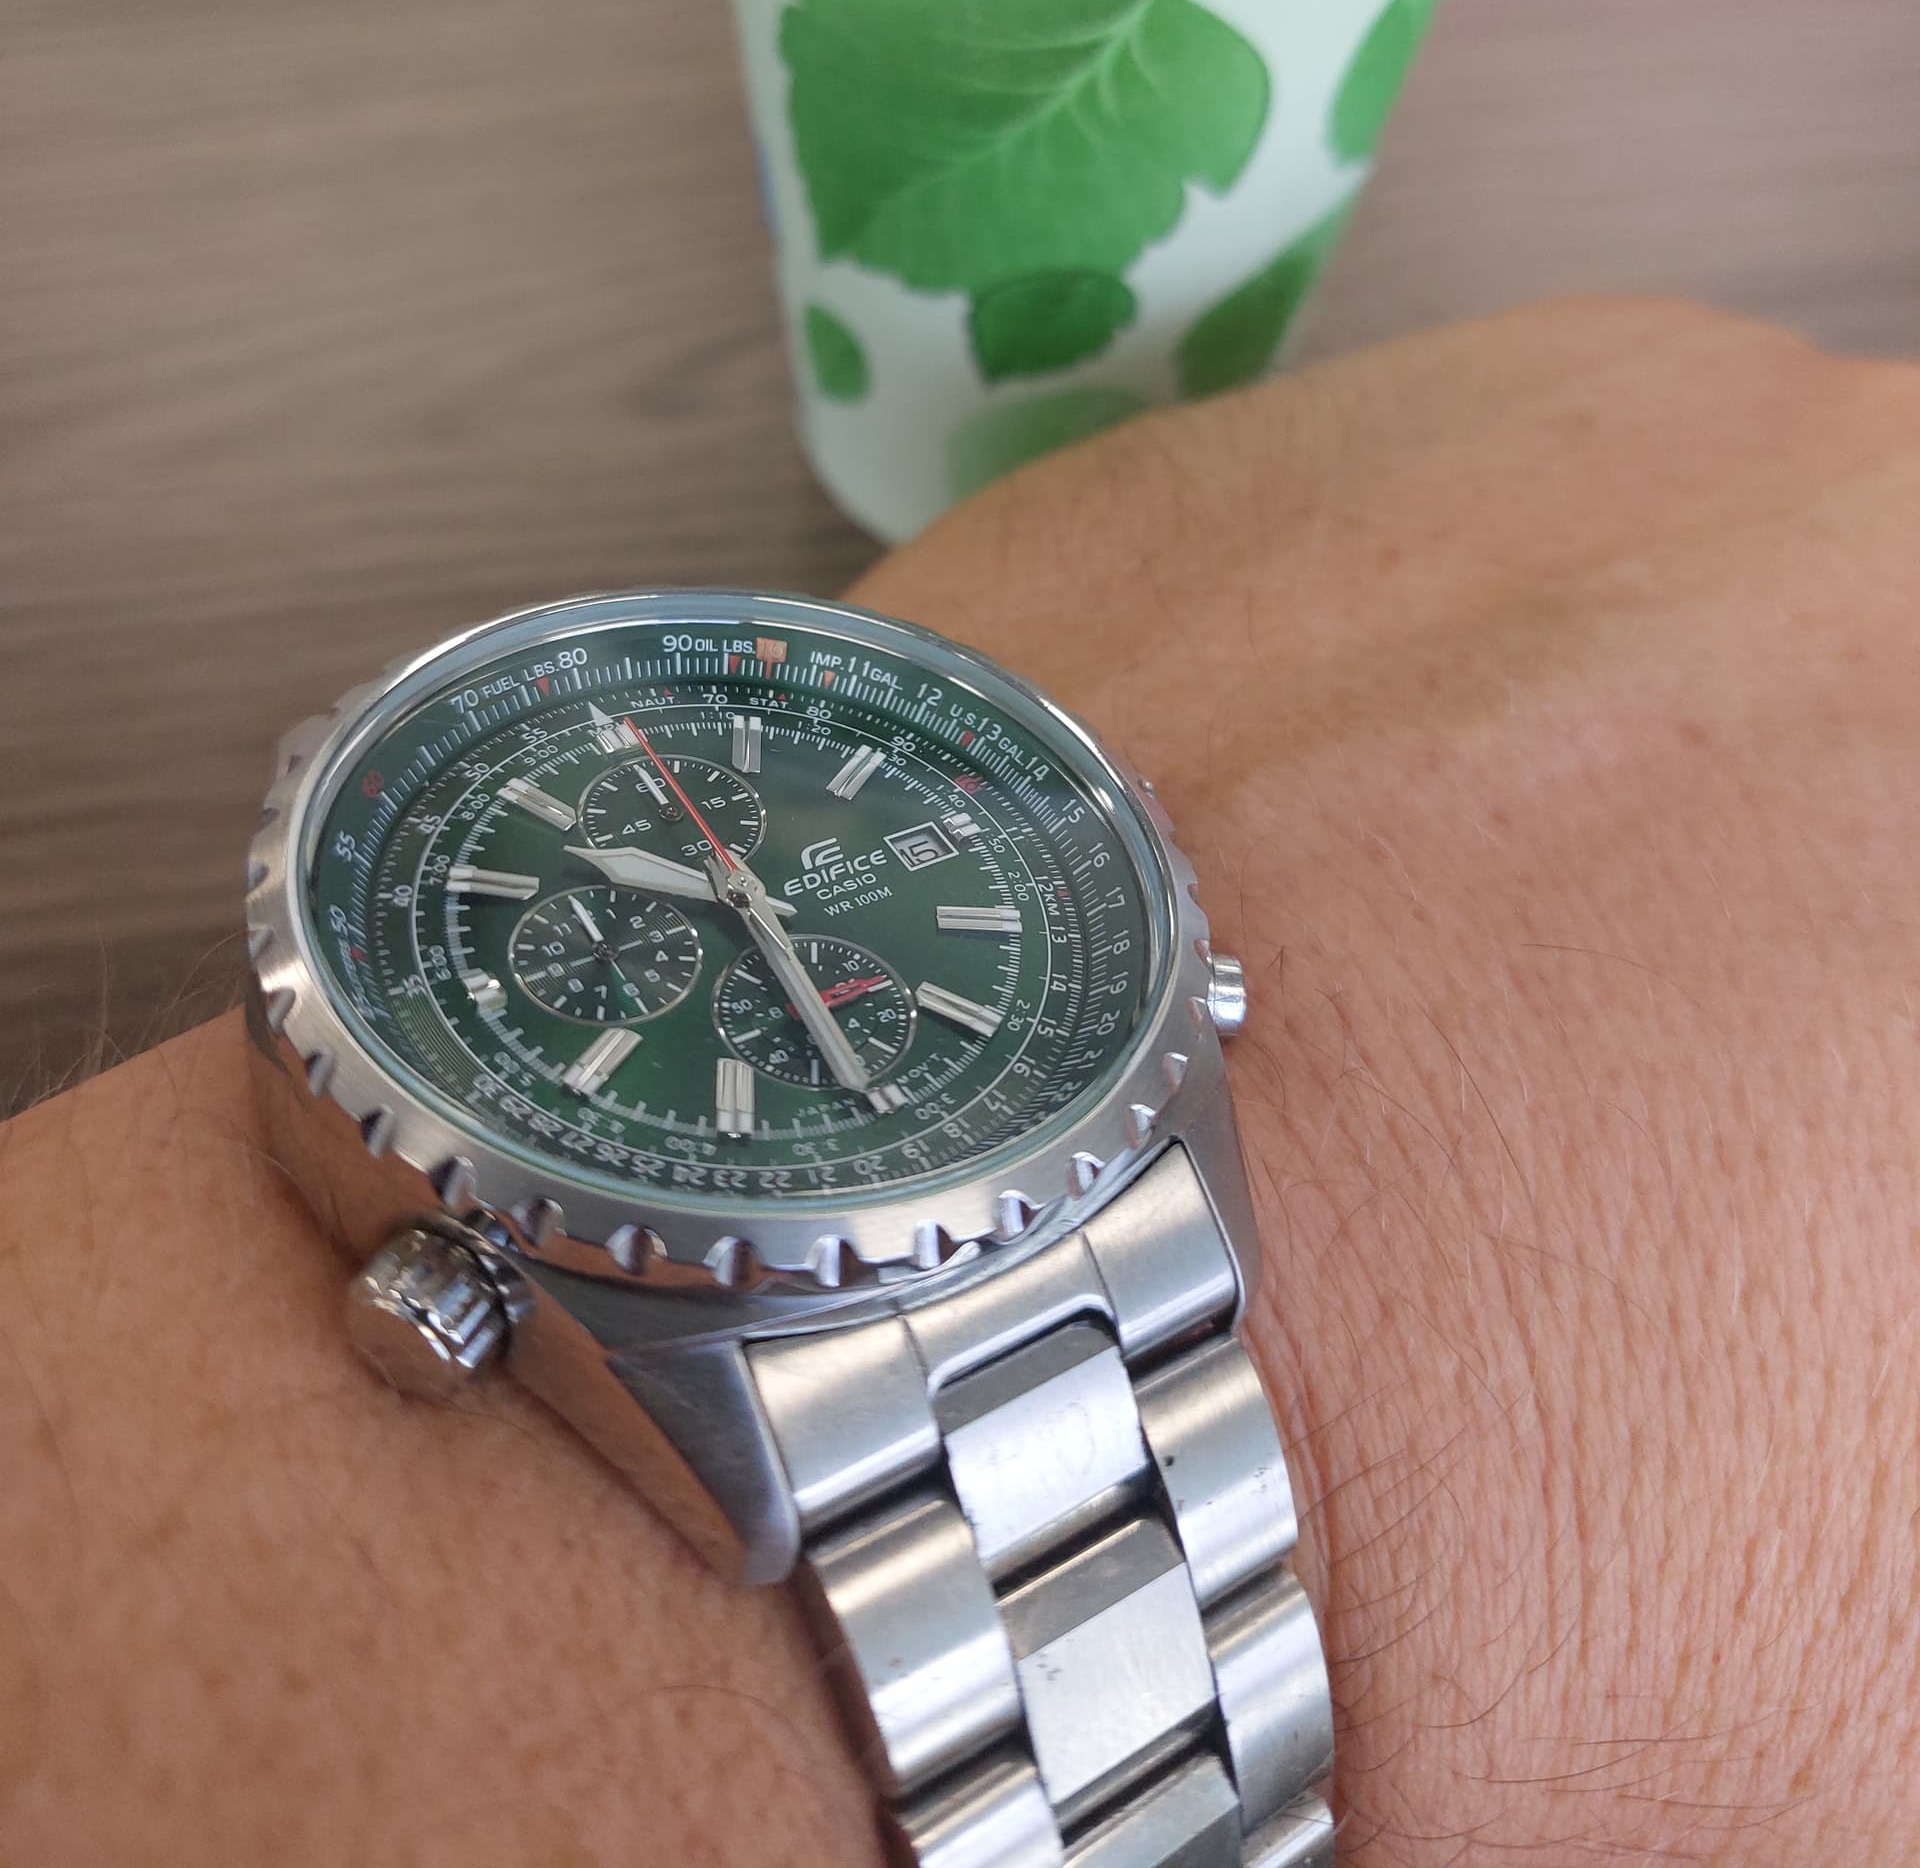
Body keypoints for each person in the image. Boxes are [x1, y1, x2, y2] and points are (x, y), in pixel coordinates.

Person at [2, 296, 1914, 1866]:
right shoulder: (479, 1182)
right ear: (448, 1271)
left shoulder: (1091, 981)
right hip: (726, 1316)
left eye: (744, 880)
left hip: (1089, 1169)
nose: (745, 899)